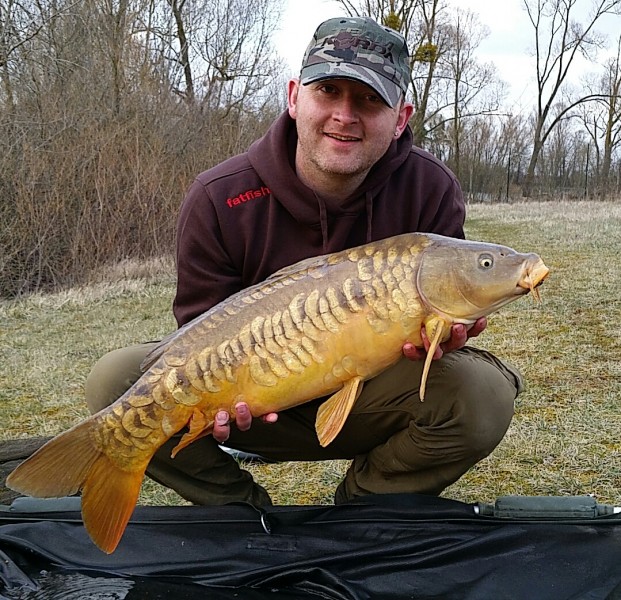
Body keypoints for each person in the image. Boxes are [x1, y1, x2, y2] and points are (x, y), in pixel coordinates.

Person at [85, 16, 522, 507]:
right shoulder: (218, 197)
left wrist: (441, 338)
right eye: (328, 91)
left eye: (370, 100)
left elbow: (440, 323)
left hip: (371, 398)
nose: (344, 115)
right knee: (117, 382)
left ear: (401, 118)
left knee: (481, 392)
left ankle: (364, 509)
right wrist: (222, 397)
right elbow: (200, 330)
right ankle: (241, 514)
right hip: (253, 402)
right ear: (294, 97)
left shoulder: (430, 189)